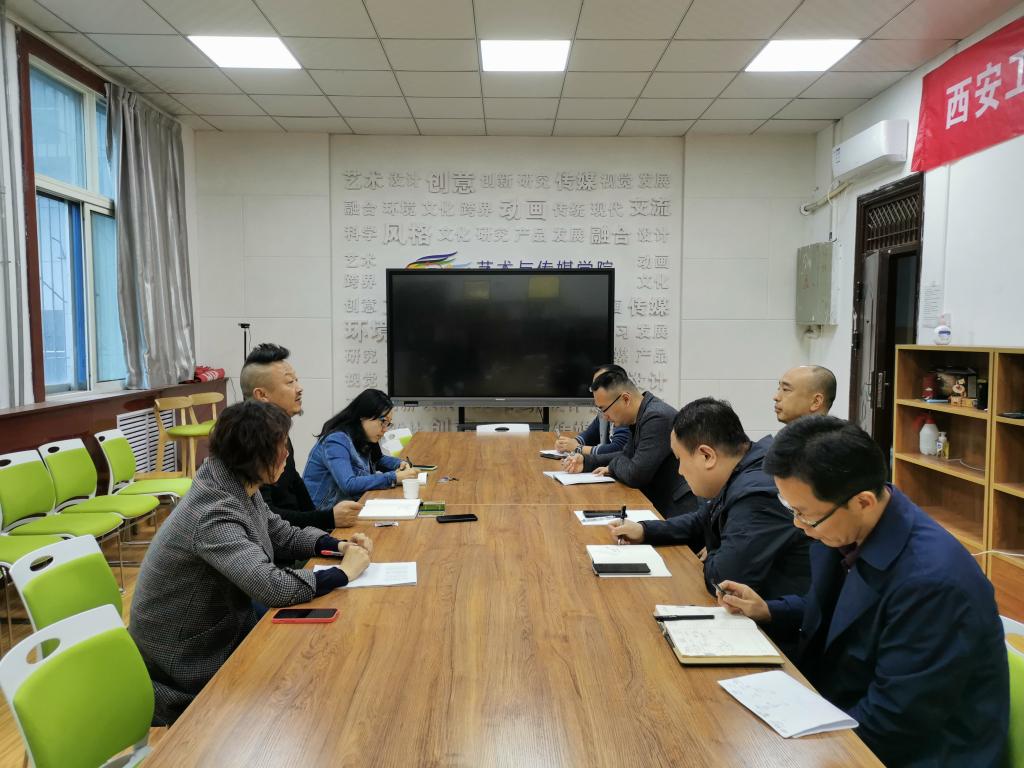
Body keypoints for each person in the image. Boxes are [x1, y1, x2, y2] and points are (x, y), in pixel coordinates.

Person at [719, 416, 1008, 768]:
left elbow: (895, 722)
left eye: (804, 514)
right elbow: (842, 610)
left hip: (920, 752)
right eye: (791, 509)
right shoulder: (845, 526)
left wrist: (795, 753)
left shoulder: (932, 583)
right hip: (844, 713)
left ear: (863, 502)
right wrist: (769, 610)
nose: (798, 524)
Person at [129, 401, 373, 725]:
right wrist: (343, 573)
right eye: (280, 447)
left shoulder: (235, 480)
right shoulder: (214, 512)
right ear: (254, 455)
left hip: (223, 631)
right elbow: (272, 587)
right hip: (188, 663)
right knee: (307, 684)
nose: (287, 453)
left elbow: (278, 532)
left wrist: (338, 546)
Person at [608, 398, 809, 600]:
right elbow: (702, 518)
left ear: (707, 456)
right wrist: (644, 530)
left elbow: (723, 580)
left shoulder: (756, 495)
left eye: (680, 460)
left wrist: (716, 549)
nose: (680, 471)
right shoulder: (744, 464)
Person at [240, 342, 361, 530]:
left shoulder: (277, 431)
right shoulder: (249, 442)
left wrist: (323, 531)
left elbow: (294, 481)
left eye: (296, 380)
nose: (299, 388)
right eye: (290, 382)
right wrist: (327, 519)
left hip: (296, 535)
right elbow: (267, 516)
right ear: (262, 394)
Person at [562, 369, 696, 518]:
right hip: (657, 501)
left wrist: (612, 466)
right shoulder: (640, 414)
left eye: (604, 409)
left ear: (625, 399)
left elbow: (635, 474)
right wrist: (587, 462)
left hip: (677, 509)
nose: (604, 417)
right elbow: (625, 455)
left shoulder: (656, 417)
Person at [303, 389, 419, 506]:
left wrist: (400, 464)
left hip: (350, 505)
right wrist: (394, 478)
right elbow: (349, 484)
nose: (385, 429)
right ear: (363, 416)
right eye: (383, 421)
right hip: (324, 513)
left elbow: (378, 460)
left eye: (388, 423)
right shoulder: (336, 441)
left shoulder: (363, 435)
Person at [553, 363, 631, 457]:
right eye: (594, 385)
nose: (594, 389)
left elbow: (617, 449)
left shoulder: (624, 412)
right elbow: (591, 434)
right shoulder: (605, 408)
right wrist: (570, 443)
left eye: (598, 384)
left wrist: (577, 448)